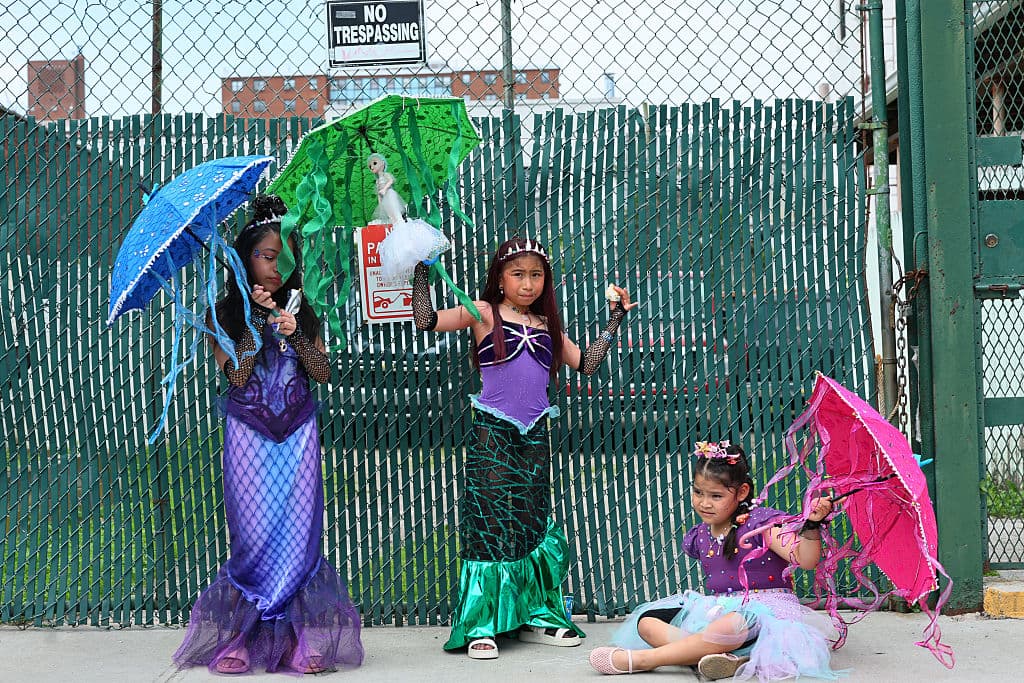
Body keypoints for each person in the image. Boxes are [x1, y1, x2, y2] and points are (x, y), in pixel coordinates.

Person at [411, 237, 637, 659]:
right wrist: (421, 268)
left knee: (531, 524)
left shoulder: (546, 324)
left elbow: (586, 363)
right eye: (518, 274)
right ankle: (481, 624)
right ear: (500, 277)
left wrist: (614, 320)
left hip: (535, 435)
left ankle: (535, 615)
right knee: (491, 522)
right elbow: (426, 320)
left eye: (536, 275)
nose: (528, 283)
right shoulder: (482, 311)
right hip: (493, 432)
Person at [172, 195, 364, 675]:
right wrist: (256, 322)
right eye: (267, 256)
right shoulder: (223, 314)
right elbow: (236, 376)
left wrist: (295, 331)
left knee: (299, 535)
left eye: (286, 257)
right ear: (246, 258)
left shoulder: (305, 308)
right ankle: (242, 636)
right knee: (253, 536)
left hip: (298, 433)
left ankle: (300, 639)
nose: (277, 267)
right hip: (249, 436)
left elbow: (322, 371)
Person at [589, 441, 839, 681]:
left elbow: (805, 559)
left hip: (765, 613)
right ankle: (726, 657)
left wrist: (812, 524)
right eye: (698, 492)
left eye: (716, 496)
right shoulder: (700, 534)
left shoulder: (761, 525)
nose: (704, 503)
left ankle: (644, 660)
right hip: (718, 610)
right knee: (648, 623)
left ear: (742, 492)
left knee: (731, 625)